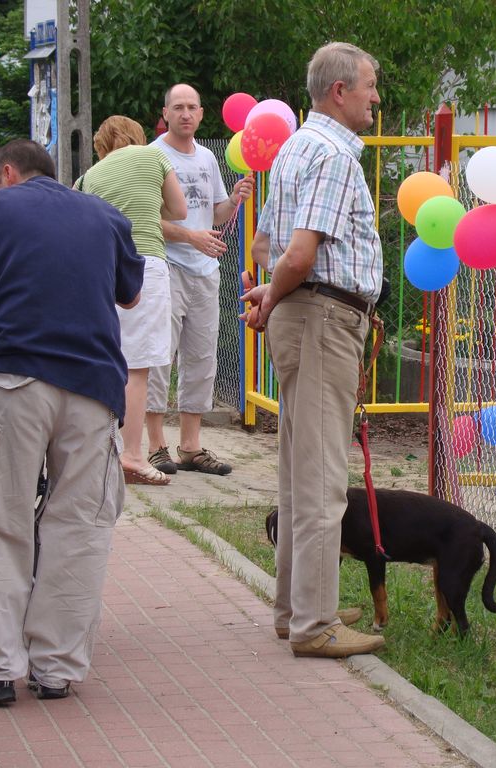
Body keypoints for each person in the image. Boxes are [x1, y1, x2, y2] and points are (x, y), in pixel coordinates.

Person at [0, 140, 144, 705]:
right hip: (95, 391)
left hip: (16, 381)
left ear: (6, 173)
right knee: (80, 527)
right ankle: (56, 670)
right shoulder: (106, 215)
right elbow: (130, 295)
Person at [241, 42, 386, 658]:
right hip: (324, 317)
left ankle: (294, 608)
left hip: (303, 314)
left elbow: (265, 246)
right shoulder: (334, 156)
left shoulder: (296, 147)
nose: (376, 97)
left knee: (300, 472)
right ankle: (315, 624)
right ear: (339, 91)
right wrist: (277, 294)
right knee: (324, 478)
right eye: (369, 85)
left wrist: (271, 295)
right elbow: (298, 255)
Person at [144, 84, 254, 477]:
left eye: (192, 107)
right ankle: (155, 446)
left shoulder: (207, 157)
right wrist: (190, 237)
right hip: (168, 267)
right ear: (166, 113)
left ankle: (190, 446)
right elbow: (146, 218)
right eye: (178, 107)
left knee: (202, 358)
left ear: (202, 113)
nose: (186, 113)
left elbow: (215, 214)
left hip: (206, 271)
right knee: (160, 356)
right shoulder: (153, 155)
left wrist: (235, 198)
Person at [78, 116, 188, 485]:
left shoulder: (88, 178)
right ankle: (132, 455)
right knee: (137, 368)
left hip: (99, 272)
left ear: (102, 146)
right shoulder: (154, 155)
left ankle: (97, 452)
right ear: (136, 136)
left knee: (104, 360)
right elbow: (179, 210)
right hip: (144, 266)